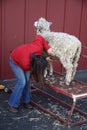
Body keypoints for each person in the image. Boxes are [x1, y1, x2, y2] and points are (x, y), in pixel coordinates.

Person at [8, 35, 54, 113]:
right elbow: (28, 67)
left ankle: (26, 101)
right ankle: (12, 104)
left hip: (24, 57)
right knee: (22, 82)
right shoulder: (26, 64)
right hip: (15, 61)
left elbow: (39, 37)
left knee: (27, 81)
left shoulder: (38, 48)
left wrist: (48, 49)